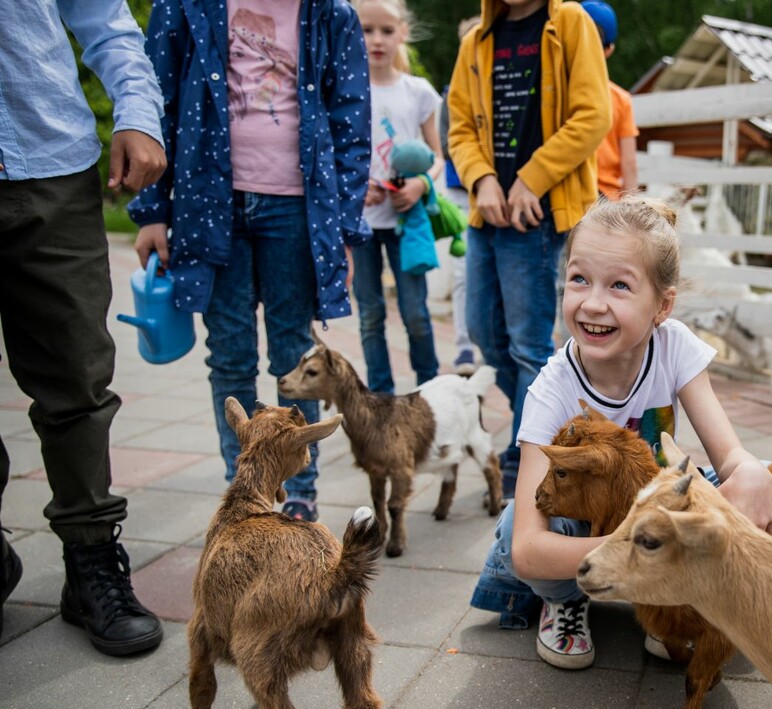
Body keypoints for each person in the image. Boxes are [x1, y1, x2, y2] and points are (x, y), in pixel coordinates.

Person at [470, 197, 772, 670]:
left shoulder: (675, 348)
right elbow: (529, 548)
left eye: (619, 285)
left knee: (750, 484)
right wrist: (643, 546)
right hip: (592, 528)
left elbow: (729, 455)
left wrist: (752, 473)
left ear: (662, 305)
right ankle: (566, 601)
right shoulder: (552, 390)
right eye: (579, 279)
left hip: (649, 509)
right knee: (519, 521)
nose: (593, 303)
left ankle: (665, 600)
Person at [130, 0, 371, 523]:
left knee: (293, 353)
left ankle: (299, 490)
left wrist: (344, 231)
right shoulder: (184, 7)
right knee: (231, 354)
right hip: (208, 204)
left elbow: (352, 126)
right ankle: (246, 489)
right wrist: (152, 211)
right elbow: (154, 102)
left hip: (298, 208)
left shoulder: (332, 14)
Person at [0, 0, 166, 655]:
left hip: (51, 160)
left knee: (77, 376)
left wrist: (137, 113)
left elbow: (108, 23)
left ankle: (91, 558)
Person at [446, 0, 611, 504]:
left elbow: (592, 115)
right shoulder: (478, 41)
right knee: (483, 332)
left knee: (526, 346)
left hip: (536, 215)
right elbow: (460, 126)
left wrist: (529, 180)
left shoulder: (569, 24)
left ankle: (523, 465)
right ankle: (555, 415)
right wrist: (483, 179)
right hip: (488, 209)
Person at [352, 0, 443, 393]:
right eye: (366, 30)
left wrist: (422, 184)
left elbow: (438, 157)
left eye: (386, 31)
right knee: (370, 315)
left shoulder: (418, 92)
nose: (376, 40)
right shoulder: (344, 88)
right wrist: (355, 188)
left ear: (402, 33)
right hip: (363, 224)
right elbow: (331, 155)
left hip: (409, 223)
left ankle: (429, 392)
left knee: (415, 314)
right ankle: (381, 397)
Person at [439, 15, 483, 377]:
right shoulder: (451, 95)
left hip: (499, 195)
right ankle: (464, 344)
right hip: (462, 191)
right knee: (462, 271)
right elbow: (448, 143)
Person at [581, 1, 638, 200]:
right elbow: (629, 163)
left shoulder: (557, 91)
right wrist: (631, 205)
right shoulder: (621, 99)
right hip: (605, 198)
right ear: (609, 49)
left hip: (568, 192)